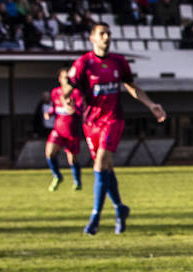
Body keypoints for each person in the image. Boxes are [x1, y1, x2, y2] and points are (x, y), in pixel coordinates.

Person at [68, 23, 168, 234]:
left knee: (99, 165)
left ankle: (94, 218)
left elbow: (131, 86)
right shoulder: (84, 63)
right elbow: (70, 85)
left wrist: (151, 105)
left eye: (108, 34)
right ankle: (120, 208)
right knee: (107, 168)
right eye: (101, 34)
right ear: (92, 38)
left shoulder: (119, 62)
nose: (106, 37)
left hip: (113, 120)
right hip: (91, 123)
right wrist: (66, 96)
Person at [45, 69, 84, 192]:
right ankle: (57, 176)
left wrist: (72, 106)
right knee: (49, 153)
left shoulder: (76, 93)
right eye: (64, 78)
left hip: (72, 131)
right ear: (60, 79)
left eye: (69, 78)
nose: (67, 80)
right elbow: (55, 108)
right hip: (58, 129)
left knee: (72, 159)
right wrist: (49, 113)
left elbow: (80, 111)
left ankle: (77, 181)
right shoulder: (56, 93)